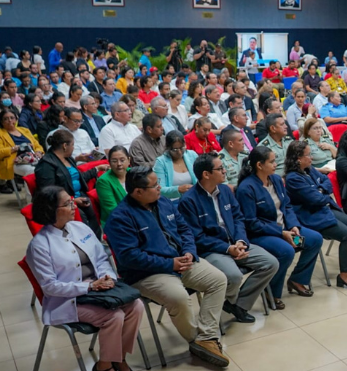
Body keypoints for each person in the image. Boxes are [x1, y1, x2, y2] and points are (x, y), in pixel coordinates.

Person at [104, 167, 230, 366]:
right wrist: (169, 264)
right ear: (137, 192)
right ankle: (196, 339)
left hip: (181, 261)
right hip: (147, 273)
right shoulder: (120, 218)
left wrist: (189, 251)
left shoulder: (163, 202)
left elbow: (184, 229)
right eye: (154, 186)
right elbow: (130, 257)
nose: (160, 188)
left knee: (218, 279)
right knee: (178, 297)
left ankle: (206, 337)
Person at [27, 186, 143, 371]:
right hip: (68, 300)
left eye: (72, 201)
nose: (74, 206)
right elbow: (50, 287)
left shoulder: (80, 228)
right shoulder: (40, 245)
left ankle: (118, 358)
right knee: (114, 316)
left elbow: (102, 259)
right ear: (52, 210)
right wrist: (89, 287)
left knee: (136, 306)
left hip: (99, 291)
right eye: (67, 204)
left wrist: (109, 277)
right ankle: (105, 366)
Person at [178, 153, 278, 323]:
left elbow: (238, 218)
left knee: (270, 263)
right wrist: (227, 249)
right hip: (212, 250)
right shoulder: (189, 201)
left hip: (235, 243)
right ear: (206, 174)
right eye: (220, 168)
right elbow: (197, 237)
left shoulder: (225, 190)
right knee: (233, 276)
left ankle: (237, 304)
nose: (225, 171)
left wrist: (240, 241)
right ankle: (229, 303)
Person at [235, 146, 324, 308]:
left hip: (285, 229)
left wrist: (294, 225)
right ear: (259, 165)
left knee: (315, 239)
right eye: (272, 161)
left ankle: (298, 279)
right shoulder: (246, 188)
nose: (276, 164)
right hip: (262, 234)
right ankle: (272, 292)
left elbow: (287, 206)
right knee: (286, 251)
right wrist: (281, 232)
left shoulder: (275, 179)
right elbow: (251, 222)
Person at [284, 141, 347, 288]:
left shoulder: (309, 169)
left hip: (325, 209)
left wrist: (319, 190)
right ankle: (344, 275)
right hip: (312, 216)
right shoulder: (293, 178)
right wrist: (322, 192)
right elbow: (316, 199)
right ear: (298, 158)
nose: (311, 158)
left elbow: (327, 182)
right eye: (308, 155)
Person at [35, 130, 108, 237]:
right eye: (73, 145)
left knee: (93, 213)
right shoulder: (46, 164)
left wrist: (96, 169)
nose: (73, 148)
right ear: (65, 145)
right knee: (81, 218)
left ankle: (95, 243)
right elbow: (48, 191)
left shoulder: (68, 159)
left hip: (78, 196)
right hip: (62, 203)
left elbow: (77, 177)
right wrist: (72, 200)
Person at [0, 108, 43, 191]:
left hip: (33, 158)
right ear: (1, 121)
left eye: (12, 118)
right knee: (32, 171)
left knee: (49, 167)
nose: (9, 120)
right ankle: (31, 200)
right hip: (13, 162)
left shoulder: (24, 130)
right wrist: (16, 148)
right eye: (6, 119)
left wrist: (39, 152)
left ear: (16, 119)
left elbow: (37, 145)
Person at [154, 131, 197, 201]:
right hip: (174, 201)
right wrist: (178, 189)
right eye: (175, 150)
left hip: (194, 197)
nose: (179, 152)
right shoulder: (161, 162)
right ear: (168, 148)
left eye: (182, 148)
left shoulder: (192, 155)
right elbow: (160, 189)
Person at [96, 145, 130, 228]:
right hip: (117, 222)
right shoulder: (104, 181)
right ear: (109, 162)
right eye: (114, 161)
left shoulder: (134, 173)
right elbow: (112, 210)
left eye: (122, 160)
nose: (119, 164)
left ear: (129, 160)